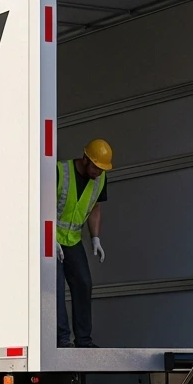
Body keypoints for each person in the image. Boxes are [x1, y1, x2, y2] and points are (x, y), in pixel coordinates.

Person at [56, 139, 112, 348]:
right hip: (51, 240)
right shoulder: (60, 171)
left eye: (102, 169)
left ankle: (84, 341)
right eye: (96, 168)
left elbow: (95, 207)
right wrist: (48, 237)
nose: (98, 172)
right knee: (56, 288)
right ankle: (61, 339)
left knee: (83, 284)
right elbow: (42, 204)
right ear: (85, 159)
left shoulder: (100, 178)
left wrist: (95, 238)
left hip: (73, 240)